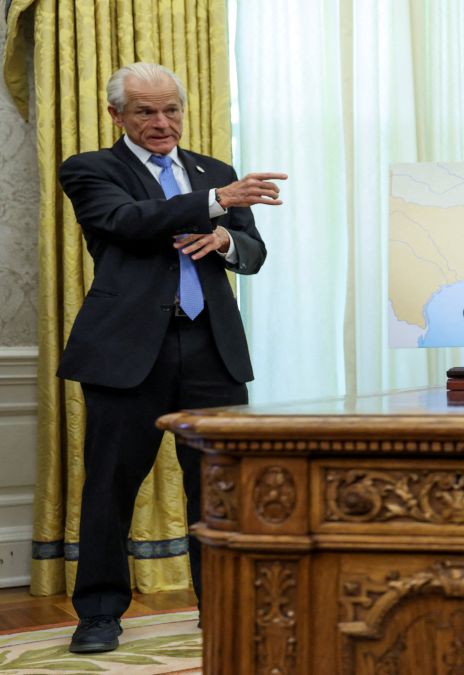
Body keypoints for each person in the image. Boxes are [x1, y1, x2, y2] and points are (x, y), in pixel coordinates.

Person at [58, 62, 286, 653]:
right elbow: (126, 222)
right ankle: (99, 615)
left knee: (217, 487)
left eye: (171, 110)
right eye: (146, 112)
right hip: (127, 351)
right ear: (117, 115)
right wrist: (214, 203)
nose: (162, 123)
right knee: (110, 487)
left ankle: (223, 605)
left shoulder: (216, 171)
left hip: (212, 349)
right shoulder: (91, 169)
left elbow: (254, 252)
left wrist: (227, 238)